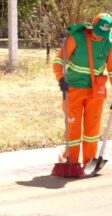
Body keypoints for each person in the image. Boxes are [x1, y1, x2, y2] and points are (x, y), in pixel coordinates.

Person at [53, 13, 112, 166]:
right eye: (98, 33)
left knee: (92, 129)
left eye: (104, 35)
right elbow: (59, 60)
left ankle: (89, 161)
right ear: (92, 27)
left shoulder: (109, 43)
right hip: (73, 89)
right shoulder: (76, 38)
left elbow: (111, 70)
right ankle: (70, 161)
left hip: (96, 91)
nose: (100, 37)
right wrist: (60, 78)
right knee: (73, 127)